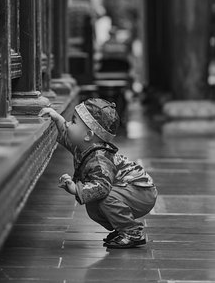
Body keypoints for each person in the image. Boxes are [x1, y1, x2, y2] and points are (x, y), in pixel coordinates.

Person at [38, 98, 157, 249]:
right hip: (131, 189)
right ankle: (123, 228)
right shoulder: (86, 148)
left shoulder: (99, 160)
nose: (68, 124)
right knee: (94, 205)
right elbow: (68, 137)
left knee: (104, 198)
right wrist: (56, 117)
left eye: (73, 122)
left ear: (88, 135)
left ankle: (131, 232)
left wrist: (75, 188)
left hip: (140, 191)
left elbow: (102, 187)